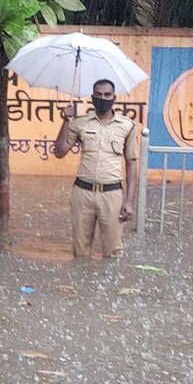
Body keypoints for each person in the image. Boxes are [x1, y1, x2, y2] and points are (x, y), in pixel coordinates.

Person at [52, 79, 139, 260]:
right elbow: (59, 152)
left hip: (112, 194)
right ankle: (82, 286)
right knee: (80, 252)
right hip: (82, 193)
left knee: (114, 253)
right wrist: (65, 122)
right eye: (98, 94)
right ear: (92, 97)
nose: (103, 98)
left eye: (107, 95)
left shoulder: (127, 126)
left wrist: (129, 201)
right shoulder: (79, 123)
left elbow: (131, 163)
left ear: (114, 97)